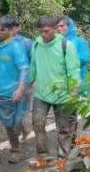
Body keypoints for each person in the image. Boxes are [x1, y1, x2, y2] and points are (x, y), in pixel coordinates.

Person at [29, 16, 80, 158]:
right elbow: (33, 66)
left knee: (64, 129)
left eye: (46, 31)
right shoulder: (36, 44)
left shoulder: (66, 46)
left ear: (55, 29)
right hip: (41, 93)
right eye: (41, 32)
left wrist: (74, 93)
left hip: (62, 95)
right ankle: (43, 155)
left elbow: (74, 72)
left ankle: (64, 158)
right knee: (38, 124)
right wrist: (27, 84)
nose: (43, 35)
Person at [0, 16, 29, 166]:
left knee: (10, 125)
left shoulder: (16, 47)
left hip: (10, 93)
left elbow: (24, 68)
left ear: (10, 31)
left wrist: (21, 88)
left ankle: (15, 150)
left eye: (2, 30)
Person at [56, 16, 90, 95]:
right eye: (57, 26)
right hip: (61, 82)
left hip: (79, 79)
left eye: (61, 26)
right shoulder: (57, 43)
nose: (58, 29)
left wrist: (67, 60)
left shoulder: (79, 41)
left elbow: (86, 58)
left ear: (70, 27)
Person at [12, 20, 34, 140]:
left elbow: (33, 61)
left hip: (25, 80)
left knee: (23, 107)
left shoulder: (27, 43)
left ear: (18, 28)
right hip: (9, 81)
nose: (12, 30)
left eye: (14, 27)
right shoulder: (2, 43)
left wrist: (33, 78)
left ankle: (26, 129)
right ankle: (16, 135)